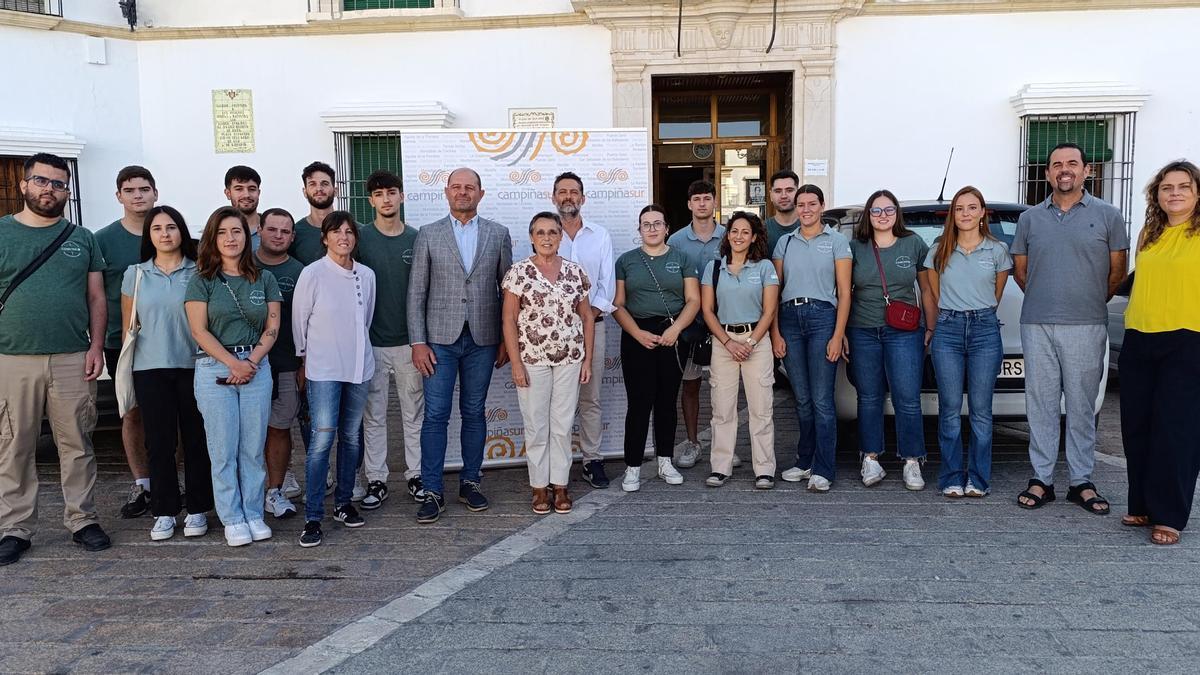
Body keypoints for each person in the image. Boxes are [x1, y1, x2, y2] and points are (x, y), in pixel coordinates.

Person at [0, 153, 111, 566]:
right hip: (12, 357)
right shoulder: (3, 232)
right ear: (24, 185)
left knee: (77, 442)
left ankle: (83, 520)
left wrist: (96, 347)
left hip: (72, 357)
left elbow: (96, 297)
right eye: (42, 181)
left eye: (59, 184)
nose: (50, 189)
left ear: (67, 190)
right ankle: (15, 528)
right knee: (14, 445)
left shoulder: (82, 238)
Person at [1012, 142, 1128, 513]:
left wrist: (1088, 300)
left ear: (1086, 170)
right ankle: (1042, 479)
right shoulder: (1030, 218)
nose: (1065, 169)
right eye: (1057, 164)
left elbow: (1117, 271)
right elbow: (1021, 271)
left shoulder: (1108, 215)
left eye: (1072, 163)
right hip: (1037, 324)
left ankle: (1082, 481)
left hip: (1086, 324)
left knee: (1081, 405)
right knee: (1041, 404)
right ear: (1047, 173)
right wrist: (1048, 298)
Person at [407, 167, 513, 524]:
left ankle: (470, 481)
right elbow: (416, 292)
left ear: (481, 194)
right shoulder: (428, 234)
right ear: (447, 192)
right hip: (438, 341)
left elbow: (508, 292)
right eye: (456, 187)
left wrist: (506, 340)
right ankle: (432, 490)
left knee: (474, 411)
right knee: (435, 415)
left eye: (470, 187)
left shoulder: (498, 234)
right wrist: (418, 342)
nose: (463, 192)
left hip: (483, 340)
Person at [185, 206, 282, 547]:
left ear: (247, 236)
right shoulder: (201, 281)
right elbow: (199, 331)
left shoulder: (264, 279)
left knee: (252, 447)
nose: (230, 238)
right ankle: (233, 517)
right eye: (223, 232)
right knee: (223, 449)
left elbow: (272, 327)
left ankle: (254, 512)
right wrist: (232, 363)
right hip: (216, 368)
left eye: (237, 231)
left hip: (256, 365)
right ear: (213, 238)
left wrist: (250, 361)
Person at [121, 205, 214, 540]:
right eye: (157, 228)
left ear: (181, 231)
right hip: (149, 368)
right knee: (159, 443)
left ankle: (199, 508)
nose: (165, 233)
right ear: (149, 235)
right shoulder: (135, 274)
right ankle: (163, 510)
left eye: (171, 227)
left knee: (196, 439)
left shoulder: (200, 271)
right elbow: (129, 326)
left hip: (194, 365)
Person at [1120, 159, 1200, 545]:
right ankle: (1142, 504)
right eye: (1167, 187)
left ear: (1197, 193)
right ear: (1157, 194)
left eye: (1184, 187)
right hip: (1139, 335)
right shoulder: (1148, 233)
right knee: (1137, 425)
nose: (1175, 193)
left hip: (1188, 338)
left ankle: (1169, 515)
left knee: (1176, 430)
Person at [292, 212, 376, 547]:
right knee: (322, 439)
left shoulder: (366, 275)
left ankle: (343, 503)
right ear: (325, 238)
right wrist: (303, 358)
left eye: (349, 231)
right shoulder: (312, 273)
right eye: (336, 231)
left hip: (358, 369)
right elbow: (299, 322)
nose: (344, 236)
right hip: (323, 369)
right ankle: (313, 516)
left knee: (351, 437)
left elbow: (365, 320)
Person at [502, 212, 594, 513]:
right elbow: (509, 319)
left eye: (552, 232)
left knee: (563, 425)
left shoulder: (575, 272)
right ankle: (539, 487)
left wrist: (587, 360)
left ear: (560, 237)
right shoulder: (519, 273)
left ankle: (561, 485)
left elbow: (586, 317)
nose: (546, 237)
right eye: (540, 232)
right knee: (536, 424)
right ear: (531, 237)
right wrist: (516, 364)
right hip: (531, 359)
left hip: (570, 358)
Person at [924, 187, 1011, 498]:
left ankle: (977, 478)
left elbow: (996, 294)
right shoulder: (939, 250)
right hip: (948, 329)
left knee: (981, 410)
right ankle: (951, 476)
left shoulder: (997, 250)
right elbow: (934, 292)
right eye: (959, 208)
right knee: (949, 409)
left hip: (985, 330)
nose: (965, 213)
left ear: (982, 212)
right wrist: (953, 314)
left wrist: (977, 313)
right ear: (953, 214)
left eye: (972, 207)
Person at [847, 189, 934, 490]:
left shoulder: (913, 243)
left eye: (889, 210)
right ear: (868, 215)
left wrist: (931, 326)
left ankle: (912, 460)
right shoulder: (855, 247)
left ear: (897, 213)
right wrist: (841, 332)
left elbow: (926, 289)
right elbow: (844, 292)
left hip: (904, 331)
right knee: (868, 397)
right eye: (876, 210)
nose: (882, 216)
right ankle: (871, 458)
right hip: (862, 330)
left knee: (907, 398)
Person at [612, 204, 699, 492]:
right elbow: (618, 304)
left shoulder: (682, 258)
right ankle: (633, 466)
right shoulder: (626, 261)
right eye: (646, 224)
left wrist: (676, 330)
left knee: (666, 401)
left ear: (667, 228)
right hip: (636, 334)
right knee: (639, 403)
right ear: (639, 230)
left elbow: (693, 300)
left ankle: (665, 461)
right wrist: (637, 333)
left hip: (672, 333)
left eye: (657, 223)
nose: (652, 228)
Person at [771, 184, 852, 492]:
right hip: (790, 318)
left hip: (823, 318)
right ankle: (804, 461)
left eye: (811, 204)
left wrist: (838, 334)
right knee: (802, 398)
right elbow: (774, 291)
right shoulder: (785, 242)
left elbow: (844, 292)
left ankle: (824, 468)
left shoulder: (837, 241)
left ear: (822, 206)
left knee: (821, 399)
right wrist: (775, 332)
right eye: (801, 204)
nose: (805, 209)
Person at [358, 170, 425, 510]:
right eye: (379, 194)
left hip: (410, 343)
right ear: (371, 200)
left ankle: (417, 475)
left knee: (414, 413)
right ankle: (377, 479)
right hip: (371, 343)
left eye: (391, 192)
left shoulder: (417, 238)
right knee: (374, 416)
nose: (386, 199)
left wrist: (421, 340)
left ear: (401, 196)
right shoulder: (359, 238)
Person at [700, 212, 779, 489]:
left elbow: (770, 311)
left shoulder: (765, 267)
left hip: (756, 341)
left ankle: (764, 469)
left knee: (761, 408)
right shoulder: (714, 268)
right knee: (722, 409)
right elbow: (707, 311)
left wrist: (750, 343)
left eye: (745, 232)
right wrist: (728, 342)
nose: (739, 236)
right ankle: (720, 467)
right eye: (734, 231)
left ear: (754, 237)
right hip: (724, 342)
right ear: (728, 234)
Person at [97, 165, 157, 519]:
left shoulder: (168, 230)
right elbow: (94, 294)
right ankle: (142, 484)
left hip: (167, 340)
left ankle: (172, 481)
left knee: (173, 413)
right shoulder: (102, 240)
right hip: (121, 341)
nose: (138, 195)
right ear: (119, 196)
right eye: (130, 190)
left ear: (155, 193)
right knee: (131, 412)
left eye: (144, 189)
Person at [551, 171, 616, 489]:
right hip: (553, 332)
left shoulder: (600, 235)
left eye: (573, 191)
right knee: (557, 402)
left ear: (583, 198)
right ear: (553, 198)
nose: (568, 196)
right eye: (562, 191)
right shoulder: (545, 233)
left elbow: (607, 284)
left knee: (590, 398)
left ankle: (592, 459)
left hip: (594, 327)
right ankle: (557, 465)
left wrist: (588, 315)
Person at [666, 180, 726, 469]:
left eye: (707, 198)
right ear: (689, 204)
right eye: (697, 199)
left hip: (724, 322)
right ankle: (692, 442)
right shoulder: (676, 241)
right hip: (690, 324)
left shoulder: (730, 236)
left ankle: (724, 445)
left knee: (723, 387)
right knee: (690, 386)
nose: (702, 203)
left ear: (715, 201)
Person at [254, 208, 305, 519]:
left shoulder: (301, 272)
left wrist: (304, 364)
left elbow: (310, 321)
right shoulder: (243, 266)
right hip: (245, 363)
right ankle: (248, 493)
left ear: (293, 236)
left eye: (285, 231)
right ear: (259, 230)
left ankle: (275, 491)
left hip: (286, 363)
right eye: (272, 229)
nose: (278, 236)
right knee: (248, 432)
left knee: (279, 427)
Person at [289, 161, 339, 265]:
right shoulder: (294, 233)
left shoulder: (354, 230)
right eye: (312, 184)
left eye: (324, 184)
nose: (319, 189)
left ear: (335, 191)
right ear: (305, 192)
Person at [224, 165, 263, 252]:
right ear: (228, 193)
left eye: (252, 189)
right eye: (239, 189)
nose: (246, 195)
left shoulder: (274, 231)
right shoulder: (216, 232)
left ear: (258, 193)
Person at [764, 170, 802, 254]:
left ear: (798, 193)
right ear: (771, 195)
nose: (784, 196)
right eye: (778, 191)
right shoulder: (762, 230)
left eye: (789, 190)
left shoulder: (811, 228)